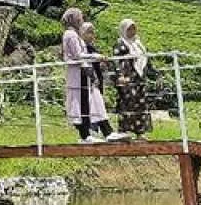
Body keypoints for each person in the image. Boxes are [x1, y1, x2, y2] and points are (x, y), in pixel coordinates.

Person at [61, 9, 117, 143]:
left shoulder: (74, 35)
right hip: (78, 73)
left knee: (91, 102)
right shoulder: (71, 35)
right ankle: (85, 135)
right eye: (79, 18)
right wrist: (95, 56)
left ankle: (104, 131)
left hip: (83, 73)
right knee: (81, 104)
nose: (81, 20)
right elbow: (77, 55)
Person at [112, 18, 156, 139]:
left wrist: (155, 74)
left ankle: (140, 132)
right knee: (127, 103)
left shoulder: (138, 44)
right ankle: (124, 131)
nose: (132, 31)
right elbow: (116, 61)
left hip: (139, 77)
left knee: (141, 103)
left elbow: (146, 59)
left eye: (134, 28)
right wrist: (120, 75)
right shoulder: (120, 43)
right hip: (127, 77)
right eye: (129, 29)